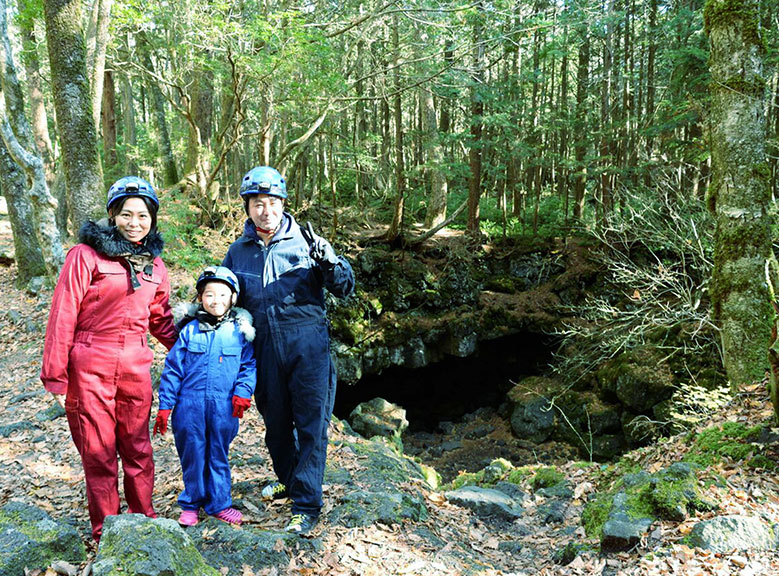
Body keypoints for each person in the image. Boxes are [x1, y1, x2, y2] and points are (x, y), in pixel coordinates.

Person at [40, 176, 177, 541]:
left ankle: (143, 520)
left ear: (153, 219)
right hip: (90, 365)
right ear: (113, 215)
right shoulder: (85, 255)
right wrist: (55, 376)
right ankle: (107, 531)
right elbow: (63, 313)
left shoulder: (155, 265)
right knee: (99, 453)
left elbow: (161, 319)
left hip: (136, 365)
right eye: (127, 214)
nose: (135, 222)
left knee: (138, 447)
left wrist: (194, 349)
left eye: (143, 216)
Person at [223, 166, 354, 535]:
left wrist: (331, 263)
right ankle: (290, 478)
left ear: (284, 203)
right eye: (258, 203)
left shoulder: (306, 242)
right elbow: (223, 300)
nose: (266, 210)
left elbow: (345, 287)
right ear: (247, 207)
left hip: (309, 347)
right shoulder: (237, 253)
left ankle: (307, 503)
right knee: (277, 426)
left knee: (311, 427)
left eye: (273, 202)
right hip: (263, 349)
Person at [153, 266, 256, 527]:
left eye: (223, 294)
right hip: (189, 406)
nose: (216, 300)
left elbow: (248, 366)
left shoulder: (239, 333)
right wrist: (166, 406)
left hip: (224, 406)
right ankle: (191, 503)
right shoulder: (189, 331)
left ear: (233, 298)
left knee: (218, 454)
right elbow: (173, 369)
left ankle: (219, 504)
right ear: (200, 298)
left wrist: (243, 393)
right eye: (209, 294)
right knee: (193, 454)